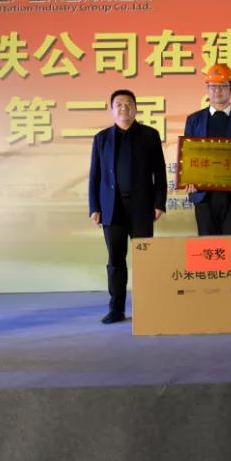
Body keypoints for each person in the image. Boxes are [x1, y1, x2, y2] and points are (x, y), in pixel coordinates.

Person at [89, 89, 167, 323]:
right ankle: (116, 309)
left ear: (135, 108)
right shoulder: (101, 138)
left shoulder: (149, 135)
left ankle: (146, 307)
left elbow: (159, 172)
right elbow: (95, 175)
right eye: (119, 104)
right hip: (112, 208)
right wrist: (94, 207)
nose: (124, 108)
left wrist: (159, 202)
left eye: (128, 104)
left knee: (145, 260)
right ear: (111, 110)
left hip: (142, 208)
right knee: (116, 260)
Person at [183, 64, 231, 235]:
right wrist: (189, 179)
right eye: (213, 86)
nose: (217, 90)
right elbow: (188, 155)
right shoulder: (194, 120)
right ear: (207, 89)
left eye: (223, 86)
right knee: (207, 245)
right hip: (203, 193)